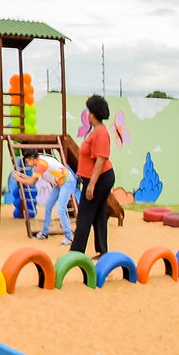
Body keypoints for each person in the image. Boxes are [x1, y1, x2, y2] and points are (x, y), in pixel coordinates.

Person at [70, 95, 117, 257]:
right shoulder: (96, 132)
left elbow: (101, 159)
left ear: (94, 114)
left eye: (89, 112)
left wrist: (91, 185)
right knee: (98, 214)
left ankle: (75, 253)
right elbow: (89, 158)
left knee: (85, 215)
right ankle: (103, 251)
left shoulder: (101, 133)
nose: (88, 115)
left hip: (100, 178)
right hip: (95, 177)